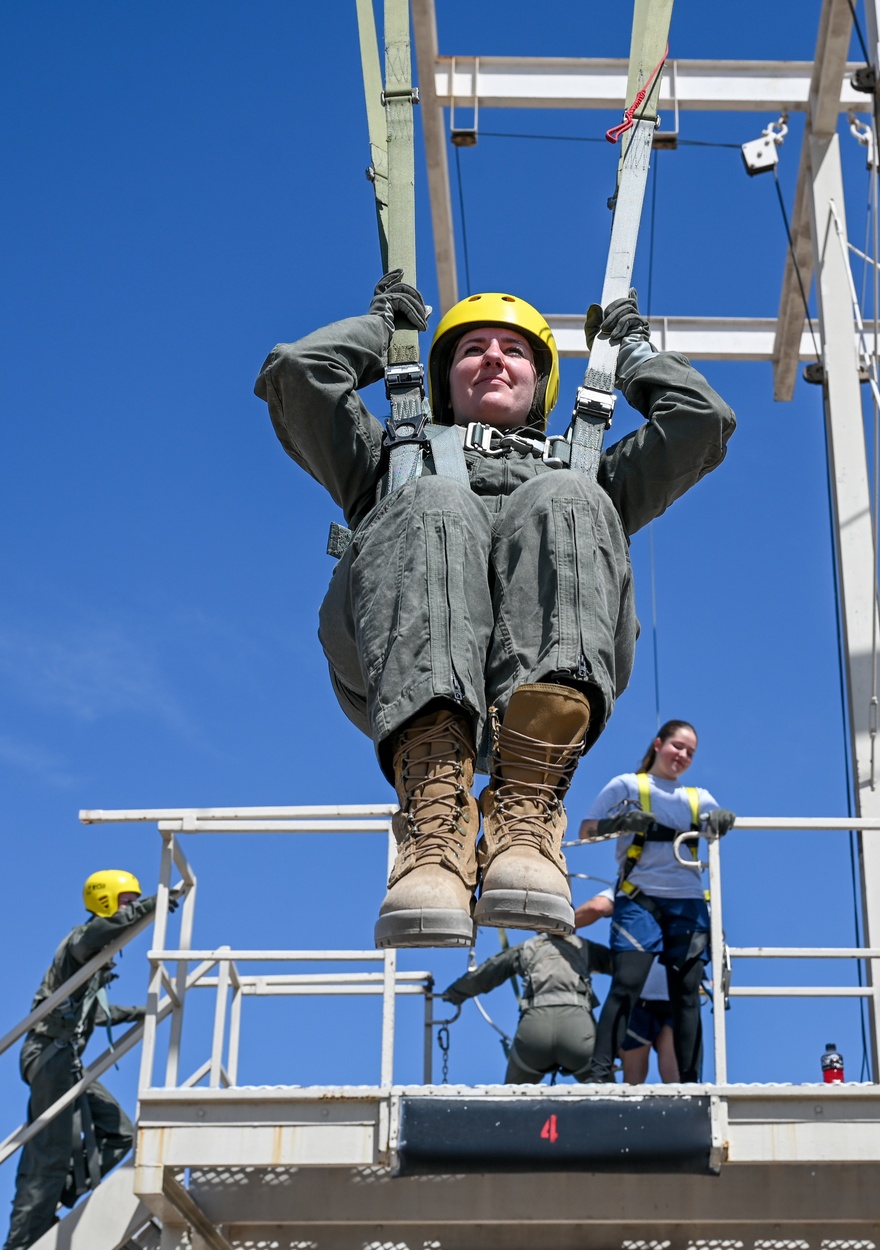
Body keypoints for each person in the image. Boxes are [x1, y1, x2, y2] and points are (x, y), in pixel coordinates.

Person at [255, 275, 736, 950]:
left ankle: (529, 814)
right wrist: (378, 331)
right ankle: (433, 827)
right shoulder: (387, 459)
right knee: (432, 502)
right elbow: (302, 378)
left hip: (551, 680)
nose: (492, 358)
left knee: (567, 496)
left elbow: (700, 424)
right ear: (443, 379)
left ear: (541, 382)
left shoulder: (593, 475)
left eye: (514, 351)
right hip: (400, 673)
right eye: (471, 349)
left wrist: (634, 354)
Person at [3, 871, 163, 1250]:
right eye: (126, 900)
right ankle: (23, 1240)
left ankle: (53, 1197)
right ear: (106, 901)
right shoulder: (83, 941)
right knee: (50, 1156)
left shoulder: (95, 963)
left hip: (66, 1060)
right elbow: (97, 933)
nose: (131, 907)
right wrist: (151, 907)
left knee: (120, 1133)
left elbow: (92, 1013)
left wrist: (139, 1012)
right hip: (50, 1053)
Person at [580, 720, 735, 1084]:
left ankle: (690, 1082)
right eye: (677, 746)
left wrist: (724, 821)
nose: (682, 756)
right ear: (658, 744)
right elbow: (586, 831)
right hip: (640, 899)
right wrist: (617, 823)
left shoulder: (698, 798)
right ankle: (600, 1076)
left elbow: (716, 820)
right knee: (626, 984)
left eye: (690, 753)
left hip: (688, 903)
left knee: (687, 995)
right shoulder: (627, 786)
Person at [441, 932, 613, 1083]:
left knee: (510, 1105)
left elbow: (488, 971)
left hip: (534, 1034)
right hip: (579, 1034)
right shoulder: (585, 947)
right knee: (611, 1100)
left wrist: (454, 993)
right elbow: (624, 968)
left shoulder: (526, 949)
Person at [574, 889, 679, 1084]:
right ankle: (683, 1112)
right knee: (675, 1081)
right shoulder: (689, 893)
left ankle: (629, 1112)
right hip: (674, 996)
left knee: (633, 1083)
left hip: (638, 997)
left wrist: (562, 925)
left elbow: (597, 906)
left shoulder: (631, 883)